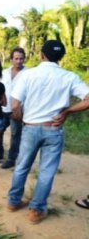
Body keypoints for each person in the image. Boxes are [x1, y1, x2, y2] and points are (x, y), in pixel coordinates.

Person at [7, 40, 89, 224]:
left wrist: (22, 120)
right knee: (46, 172)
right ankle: (36, 210)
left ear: (41, 55)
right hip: (53, 129)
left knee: (21, 167)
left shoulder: (28, 75)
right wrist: (67, 111)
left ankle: (13, 202)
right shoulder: (70, 77)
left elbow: (14, 105)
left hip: (30, 127)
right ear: (61, 57)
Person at [0, 47, 26, 169]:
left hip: (17, 110)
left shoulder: (28, 74)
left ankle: (11, 158)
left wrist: (21, 109)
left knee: (15, 135)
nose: (18, 61)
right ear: (11, 59)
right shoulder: (5, 73)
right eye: (16, 58)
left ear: (24, 59)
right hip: (3, 108)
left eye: (21, 58)